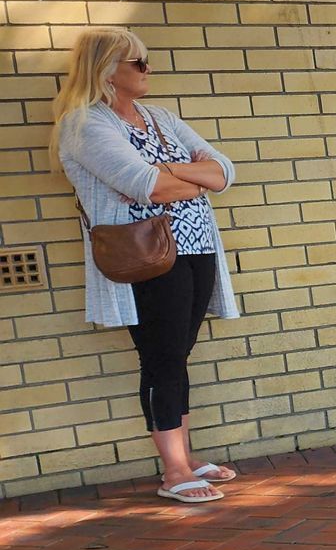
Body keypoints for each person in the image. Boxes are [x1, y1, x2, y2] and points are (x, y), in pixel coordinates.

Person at [52, 27, 241, 504]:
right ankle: (174, 471)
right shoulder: (85, 124)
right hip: (145, 257)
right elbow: (149, 188)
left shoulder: (160, 118)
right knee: (161, 356)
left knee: (176, 354)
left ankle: (186, 456)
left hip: (195, 248)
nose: (147, 69)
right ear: (106, 70)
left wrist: (171, 174)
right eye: (138, 63)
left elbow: (223, 171)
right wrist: (180, 177)